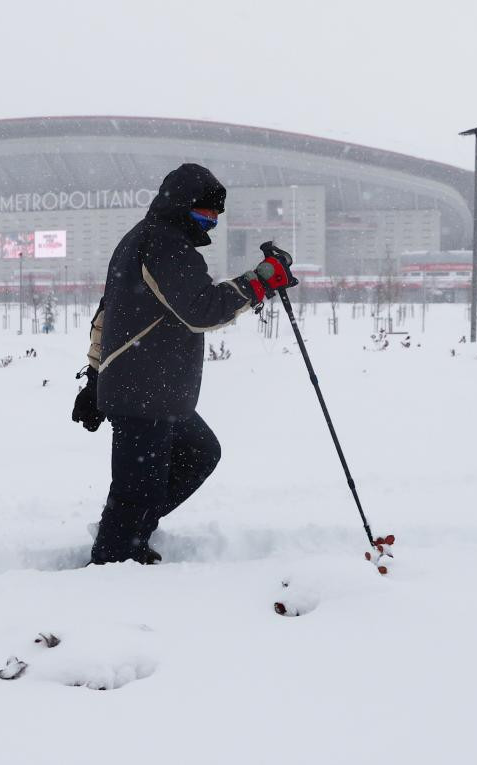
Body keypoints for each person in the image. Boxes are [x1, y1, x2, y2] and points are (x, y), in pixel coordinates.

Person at [71, 163, 297, 564]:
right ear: (179, 205)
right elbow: (201, 309)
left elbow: (107, 317)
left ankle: (131, 532)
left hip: (152, 390)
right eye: (203, 213)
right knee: (137, 490)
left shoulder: (139, 240)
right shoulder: (164, 244)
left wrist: (94, 379)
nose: (209, 224)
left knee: (198, 454)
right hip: (144, 391)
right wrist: (259, 282)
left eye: (215, 217)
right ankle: (114, 561)